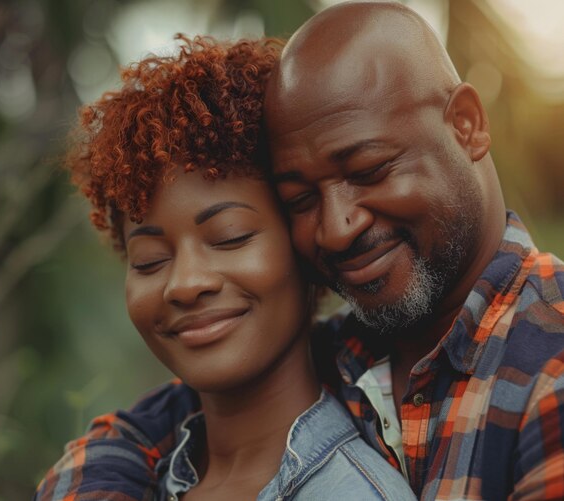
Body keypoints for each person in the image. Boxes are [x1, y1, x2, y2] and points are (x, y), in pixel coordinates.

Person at [36, 2, 564, 500]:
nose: (336, 229)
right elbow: (139, 431)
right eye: (301, 199)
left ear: (466, 125)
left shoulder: (548, 363)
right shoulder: (342, 351)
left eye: (369, 170)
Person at [35, 34, 415, 500]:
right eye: (149, 261)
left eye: (231, 237)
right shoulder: (134, 475)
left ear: (303, 245)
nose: (186, 283)